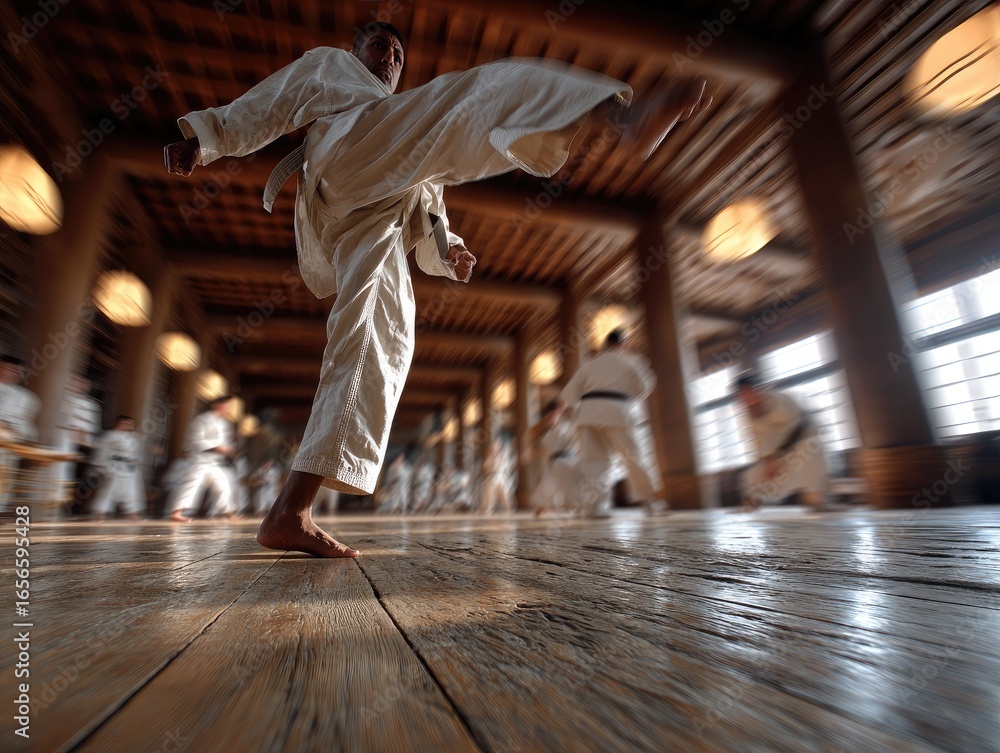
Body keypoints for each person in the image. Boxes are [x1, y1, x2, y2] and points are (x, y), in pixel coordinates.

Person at [164, 23, 710, 556]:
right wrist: (206, 138)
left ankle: (291, 510)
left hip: (374, 213)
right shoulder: (333, 69)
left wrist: (449, 252)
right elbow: (273, 102)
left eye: (399, 53)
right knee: (473, 90)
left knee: (382, 332)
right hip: (347, 154)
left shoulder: (409, 137)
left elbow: (427, 209)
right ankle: (619, 114)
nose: (391, 57)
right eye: (380, 45)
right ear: (356, 49)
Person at [560, 328, 661, 517]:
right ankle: (648, 501)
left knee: (594, 461)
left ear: (606, 344)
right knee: (632, 456)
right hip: (618, 410)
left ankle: (595, 507)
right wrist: (628, 400)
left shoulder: (589, 364)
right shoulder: (632, 360)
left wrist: (583, 407)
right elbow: (645, 386)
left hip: (587, 413)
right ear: (625, 344)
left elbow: (568, 394)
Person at [734, 373, 831, 510]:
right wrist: (768, 461)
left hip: (802, 442)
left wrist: (774, 458)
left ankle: (815, 499)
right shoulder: (748, 416)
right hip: (779, 454)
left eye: (748, 392)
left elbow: (799, 427)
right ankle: (753, 501)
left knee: (811, 449)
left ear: (756, 389)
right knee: (752, 473)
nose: (746, 397)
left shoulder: (778, 400)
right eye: (742, 395)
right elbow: (758, 442)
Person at [168, 396, 239, 522]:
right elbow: (196, 440)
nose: (227, 409)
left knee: (223, 485)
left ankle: (229, 513)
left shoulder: (224, 423)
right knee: (191, 485)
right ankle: (176, 512)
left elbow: (226, 443)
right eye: (225, 406)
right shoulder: (203, 420)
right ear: (217, 405)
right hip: (200, 461)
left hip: (215, 462)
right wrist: (216, 447)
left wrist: (227, 450)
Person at [0, 355, 41, 510]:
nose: (7, 372)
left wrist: (10, 428)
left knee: (3, 480)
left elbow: (27, 424)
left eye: (13, 370)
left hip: (7, 445)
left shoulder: (27, 398)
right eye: (4, 368)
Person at [527, 400, 580, 516]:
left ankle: (576, 506)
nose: (549, 420)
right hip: (556, 461)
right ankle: (541, 507)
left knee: (567, 486)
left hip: (568, 460)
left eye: (552, 416)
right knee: (546, 485)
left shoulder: (567, 426)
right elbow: (547, 449)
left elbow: (574, 444)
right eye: (547, 418)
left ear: (558, 414)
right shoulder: (550, 432)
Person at [90, 416, 146, 521]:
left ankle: (132, 514)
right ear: (119, 423)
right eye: (127, 424)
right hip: (113, 467)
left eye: (131, 424)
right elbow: (102, 452)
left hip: (128, 468)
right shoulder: (109, 436)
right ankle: (100, 513)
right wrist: (102, 468)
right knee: (108, 491)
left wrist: (135, 462)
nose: (129, 426)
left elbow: (135, 453)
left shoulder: (132, 438)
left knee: (131, 491)